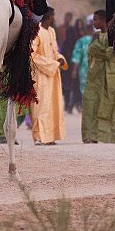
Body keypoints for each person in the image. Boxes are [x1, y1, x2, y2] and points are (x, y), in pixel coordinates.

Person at [80, 10, 115, 144]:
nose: (94, 23)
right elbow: (93, 51)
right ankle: (90, 135)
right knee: (91, 105)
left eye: (96, 20)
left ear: (104, 20)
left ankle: (110, 136)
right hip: (95, 77)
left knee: (113, 106)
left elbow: (110, 52)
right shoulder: (96, 36)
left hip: (112, 76)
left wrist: (98, 48)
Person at [30, 8, 67, 145]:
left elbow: (54, 51)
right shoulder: (37, 32)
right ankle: (39, 137)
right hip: (41, 74)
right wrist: (51, 63)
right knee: (41, 106)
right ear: (48, 17)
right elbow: (32, 55)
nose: (53, 19)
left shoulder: (51, 31)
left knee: (53, 105)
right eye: (52, 16)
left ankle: (50, 137)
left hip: (53, 74)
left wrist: (60, 58)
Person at [69, 14, 94, 113]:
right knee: (87, 87)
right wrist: (74, 70)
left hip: (85, 68)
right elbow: (77, 56)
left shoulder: (83, 41)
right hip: (87, 68)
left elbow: (76, 56)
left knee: (85, 87)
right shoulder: (86, 40)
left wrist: (75, 70)